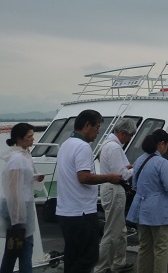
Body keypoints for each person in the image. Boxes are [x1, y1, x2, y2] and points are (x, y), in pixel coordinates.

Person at [56, 110, 122, 273]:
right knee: (89, 257)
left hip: (66, 211)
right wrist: (109, 177)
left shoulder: (66, 144)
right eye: (97, 126)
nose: (98, 131)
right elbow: (84, 177)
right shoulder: (83, 147)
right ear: (87, 125)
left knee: (72, 257)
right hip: (82, 213)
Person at [126, 129, 168, 273]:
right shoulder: (162, 162)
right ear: (162, 144)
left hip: (140, 207)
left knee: (144, 247)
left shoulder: (139, 159)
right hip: (158, 209)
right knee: (161, 248)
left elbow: (134, 184)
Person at [0, 123, 44, 273]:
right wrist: (18, 222)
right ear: (19, 139)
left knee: (12, 251)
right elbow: (12, 190)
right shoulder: (17, 159)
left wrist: (35, 178)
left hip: (21, 208)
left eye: (33, 136)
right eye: (29, 136)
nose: (33, 139)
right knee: (25, 250)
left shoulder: (24, 155)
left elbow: (22, 180)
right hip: (18, 211)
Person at [95, 118, 137, 273]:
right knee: (113, 231)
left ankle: (118, 262)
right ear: (123, 133)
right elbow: (122, 175)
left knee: (119, 229)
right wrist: (135, 169)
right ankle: (102, 266)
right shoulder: (115, 148)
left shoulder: (107, 145)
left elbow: (117, 169)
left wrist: (126, 168)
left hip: (110, 189)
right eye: (129, 136)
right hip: (114, 189)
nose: (129, 139)